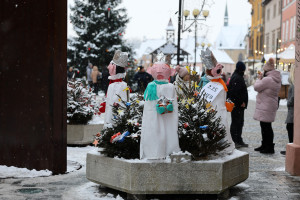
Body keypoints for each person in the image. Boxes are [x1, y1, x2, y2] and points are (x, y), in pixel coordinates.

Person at [140, 53, 180, 159]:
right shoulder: (153, 86)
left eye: (162, 68)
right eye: (156, 68)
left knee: (165, 130)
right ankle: (158, 150)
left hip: (165, 117)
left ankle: (162, 150)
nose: (158, 71)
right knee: (158, 131)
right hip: (155, 118)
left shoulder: (168, 87)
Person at [200, 48, 235, 153]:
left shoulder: (221, 82)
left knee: (223, 127)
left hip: (221, 111)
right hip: (211, 111)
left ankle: (224, 145)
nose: (220, 72)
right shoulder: (206, 83)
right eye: (217, 70)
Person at [253, 58, 281, 154]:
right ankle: (265, 145)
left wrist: (259, 79)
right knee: (266, 125)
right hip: (270, 104)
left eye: (264, 70)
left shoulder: (268, 79)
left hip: (266, 105)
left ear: (267, 70)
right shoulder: (275, 78)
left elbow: (256, 87)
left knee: (266, 126)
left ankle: (268, 147)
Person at [227, 61, 249, 148]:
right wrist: (241, 102)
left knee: (239, 123)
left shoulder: (237, 76)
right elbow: (235, 92)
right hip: (237, 105)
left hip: (237, 104)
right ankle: (235, 140)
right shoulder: (237, 77)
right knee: (236, 123)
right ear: (242, 69)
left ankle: (238, 140)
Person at [104, 50, 128, 125]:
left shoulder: (120, 85)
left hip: (116, 116)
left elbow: (119, 101)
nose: (108, 67)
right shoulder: (113, 84)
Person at [280, 65, 295, 155]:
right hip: (292, 111)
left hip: (292, 111)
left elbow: (293, 98)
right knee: (290, 128)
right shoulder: (293, 84)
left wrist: (288, 102)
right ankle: (291, 147)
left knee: (290, 128)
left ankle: (291, 148)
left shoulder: (293, 85)